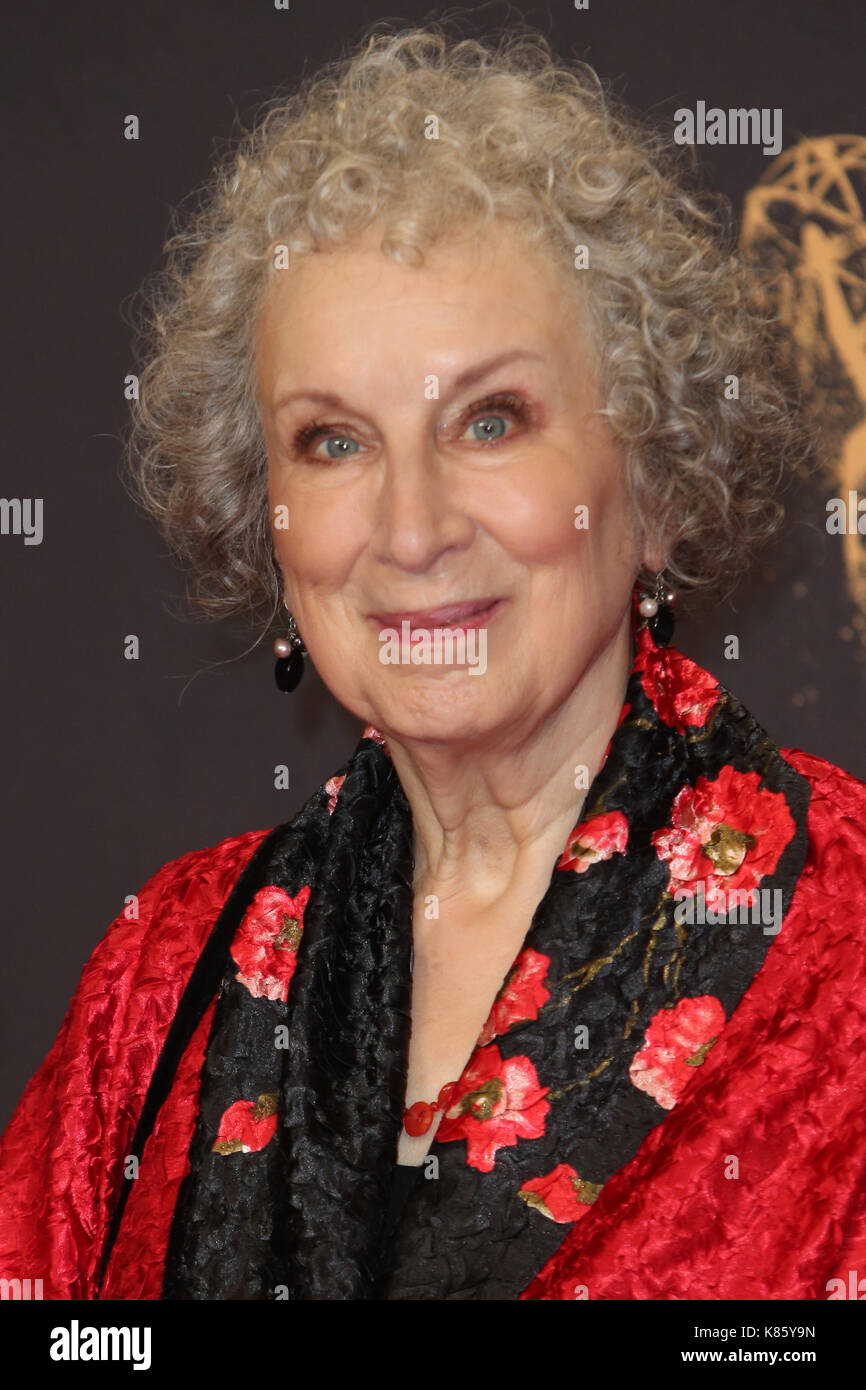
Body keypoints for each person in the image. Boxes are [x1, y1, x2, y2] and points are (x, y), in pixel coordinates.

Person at [2, 22, 865, 1302]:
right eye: (332, 442)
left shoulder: (845, 942)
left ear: (657, 482)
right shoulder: (160, 973)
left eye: (489, 420)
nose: (411, 530)